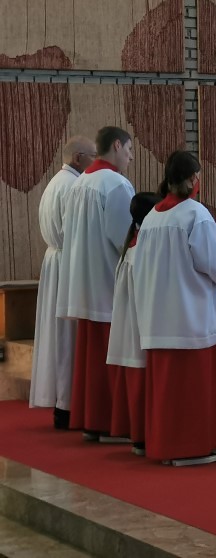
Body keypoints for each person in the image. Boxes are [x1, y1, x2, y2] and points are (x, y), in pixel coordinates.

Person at [133, 151, 216, 466]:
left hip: (158, 315)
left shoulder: (152, 217)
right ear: (192, 179)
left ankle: (167, 445)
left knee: (169, 390)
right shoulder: (195, 214)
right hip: (191, 315)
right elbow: (215, 267)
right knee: (194, 388)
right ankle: (193, 446)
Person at [55, 126, 135, 440]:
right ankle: (108, 424)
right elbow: (124, 237)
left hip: (83, 282)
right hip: (107, 282)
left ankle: (91, 420)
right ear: (116, 145)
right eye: (128, 150)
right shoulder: (115, 184)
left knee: (91, 358)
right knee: (110, 356)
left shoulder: (80, 183)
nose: (130, 157)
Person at [29, 136, 97, 429]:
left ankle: (62, 401)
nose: (96, 160)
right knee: (68, 336)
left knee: (58, 336)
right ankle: (68, 404)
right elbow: (76, 232)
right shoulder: (73, 186)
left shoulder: (56, 182)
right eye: (93, 155)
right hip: (68, 262)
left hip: (55, 261)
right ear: (79, 158)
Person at [106, 192, 160, 456]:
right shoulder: (142, 250)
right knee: (143, 376)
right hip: (141, 323)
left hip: (131, 323)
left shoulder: (132, 244)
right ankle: (143, 435)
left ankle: (139, 436)